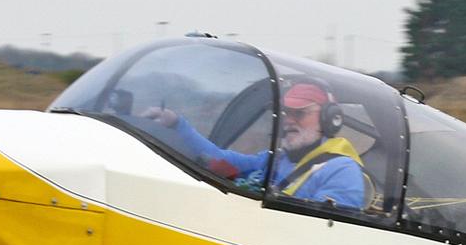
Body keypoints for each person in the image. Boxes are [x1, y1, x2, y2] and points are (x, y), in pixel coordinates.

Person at [142, 80, 368, 210]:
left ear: (330, 119)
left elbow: (325, 236)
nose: (289, 120)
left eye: (299, 113)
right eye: (286, 113)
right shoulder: (275, 160)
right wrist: (176, 124)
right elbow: (219, 160)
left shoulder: (342, 171)